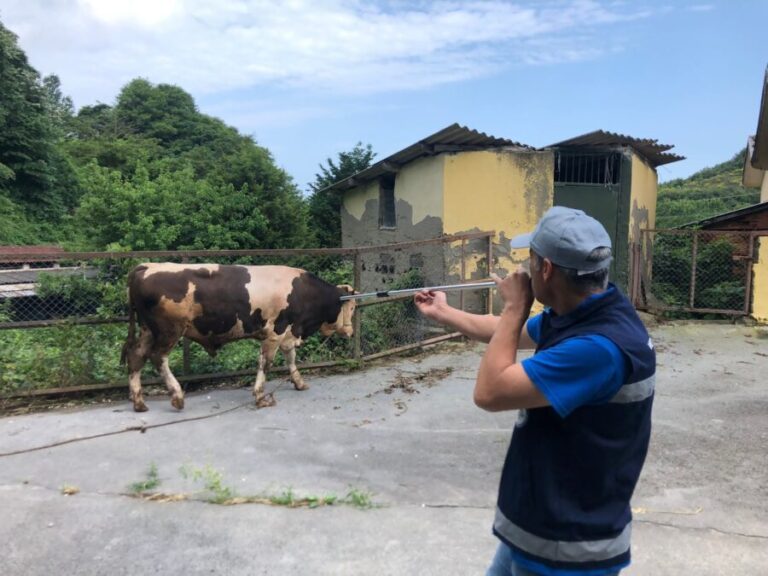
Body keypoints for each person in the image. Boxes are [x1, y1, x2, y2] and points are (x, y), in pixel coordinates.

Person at [414, 206, 655, 576]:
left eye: (531, 259)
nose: (523, 269)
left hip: (568, 549)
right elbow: (509, 332)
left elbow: (490, 392)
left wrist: (515, 306)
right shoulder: (587, 309)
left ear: (546, 269)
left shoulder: (600, 348)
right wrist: (443, 313)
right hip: (536, 529)